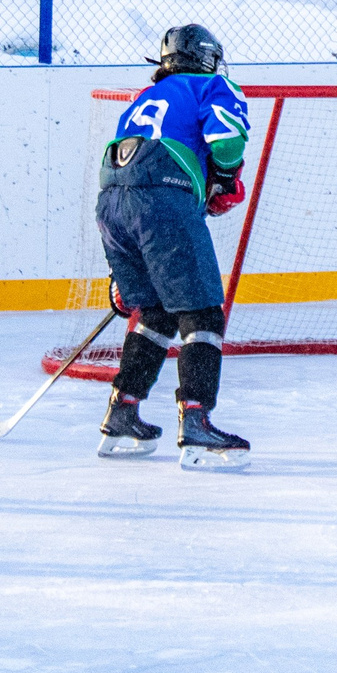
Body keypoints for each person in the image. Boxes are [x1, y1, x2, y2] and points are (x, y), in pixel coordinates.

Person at [95, 24, 252, 469]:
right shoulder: (213, 85)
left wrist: (122, 271)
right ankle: (197, 422)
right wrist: (224, 175)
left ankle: (123, 412)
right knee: (202, 311)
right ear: (205, 58)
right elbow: (226, 139)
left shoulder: (143, 99)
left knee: (157, 309)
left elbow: (132, 176)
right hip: (161, 190)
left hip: (112, 198)